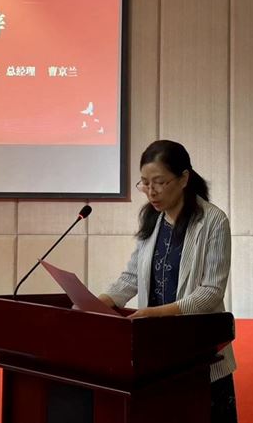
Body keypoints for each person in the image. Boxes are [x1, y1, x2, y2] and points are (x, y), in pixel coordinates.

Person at [98, 140, 238, 423]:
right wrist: (101, 302)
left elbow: (211, 292)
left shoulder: (213, 221)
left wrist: (157, 314)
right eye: (145, 183)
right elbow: (132, 276)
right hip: (156, 351)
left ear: (184, 178)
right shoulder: (152, 220)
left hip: (199, 350)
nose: (151, 191)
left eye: (160, 182)